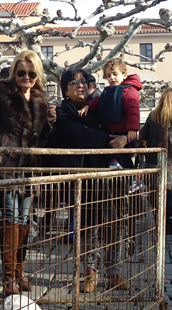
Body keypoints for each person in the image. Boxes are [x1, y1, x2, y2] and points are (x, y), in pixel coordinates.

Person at [0, 50, 56, 294]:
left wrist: (51, 120)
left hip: (29, 166)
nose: (27, 77)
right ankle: (9, 277)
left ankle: (20, 270)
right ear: (14, 71)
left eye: (32, 73)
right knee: (10, 217)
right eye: (22, 72)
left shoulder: (39, 98)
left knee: (24, 219)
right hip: (5, 164)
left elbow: (42, 136)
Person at [51, 68, 130, 292]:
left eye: (84, 81)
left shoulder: (101, 105)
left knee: (115, 224)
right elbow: (75, 135)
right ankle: (90, 273)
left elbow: (122, 122)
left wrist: (126, 136)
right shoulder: (62, 111)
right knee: (88, 228)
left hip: (108, 177)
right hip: (82, 179)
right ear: (65, 90)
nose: (81, 85)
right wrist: (110, 139)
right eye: (74, 83)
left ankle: (114, 272)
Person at [81, 58, 142, 170]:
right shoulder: (108, 91)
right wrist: (88, 105)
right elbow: (99, 101)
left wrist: (132, 130)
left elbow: (133, 111)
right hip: (111, 129)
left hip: (124, 130)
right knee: (112, 150)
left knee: (124, 157)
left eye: (115, 74)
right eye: (108, 76)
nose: (112, 78)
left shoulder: (129, 91)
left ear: (124, 75)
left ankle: (132, 178)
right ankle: (117, 166)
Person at [139, 88, 172, 235]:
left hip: (153, 162)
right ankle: (168, 224)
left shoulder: (152, 116)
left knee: (154, 194)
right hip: (171, 163)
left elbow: (143, 135)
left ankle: (158, 221)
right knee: (170, 196)